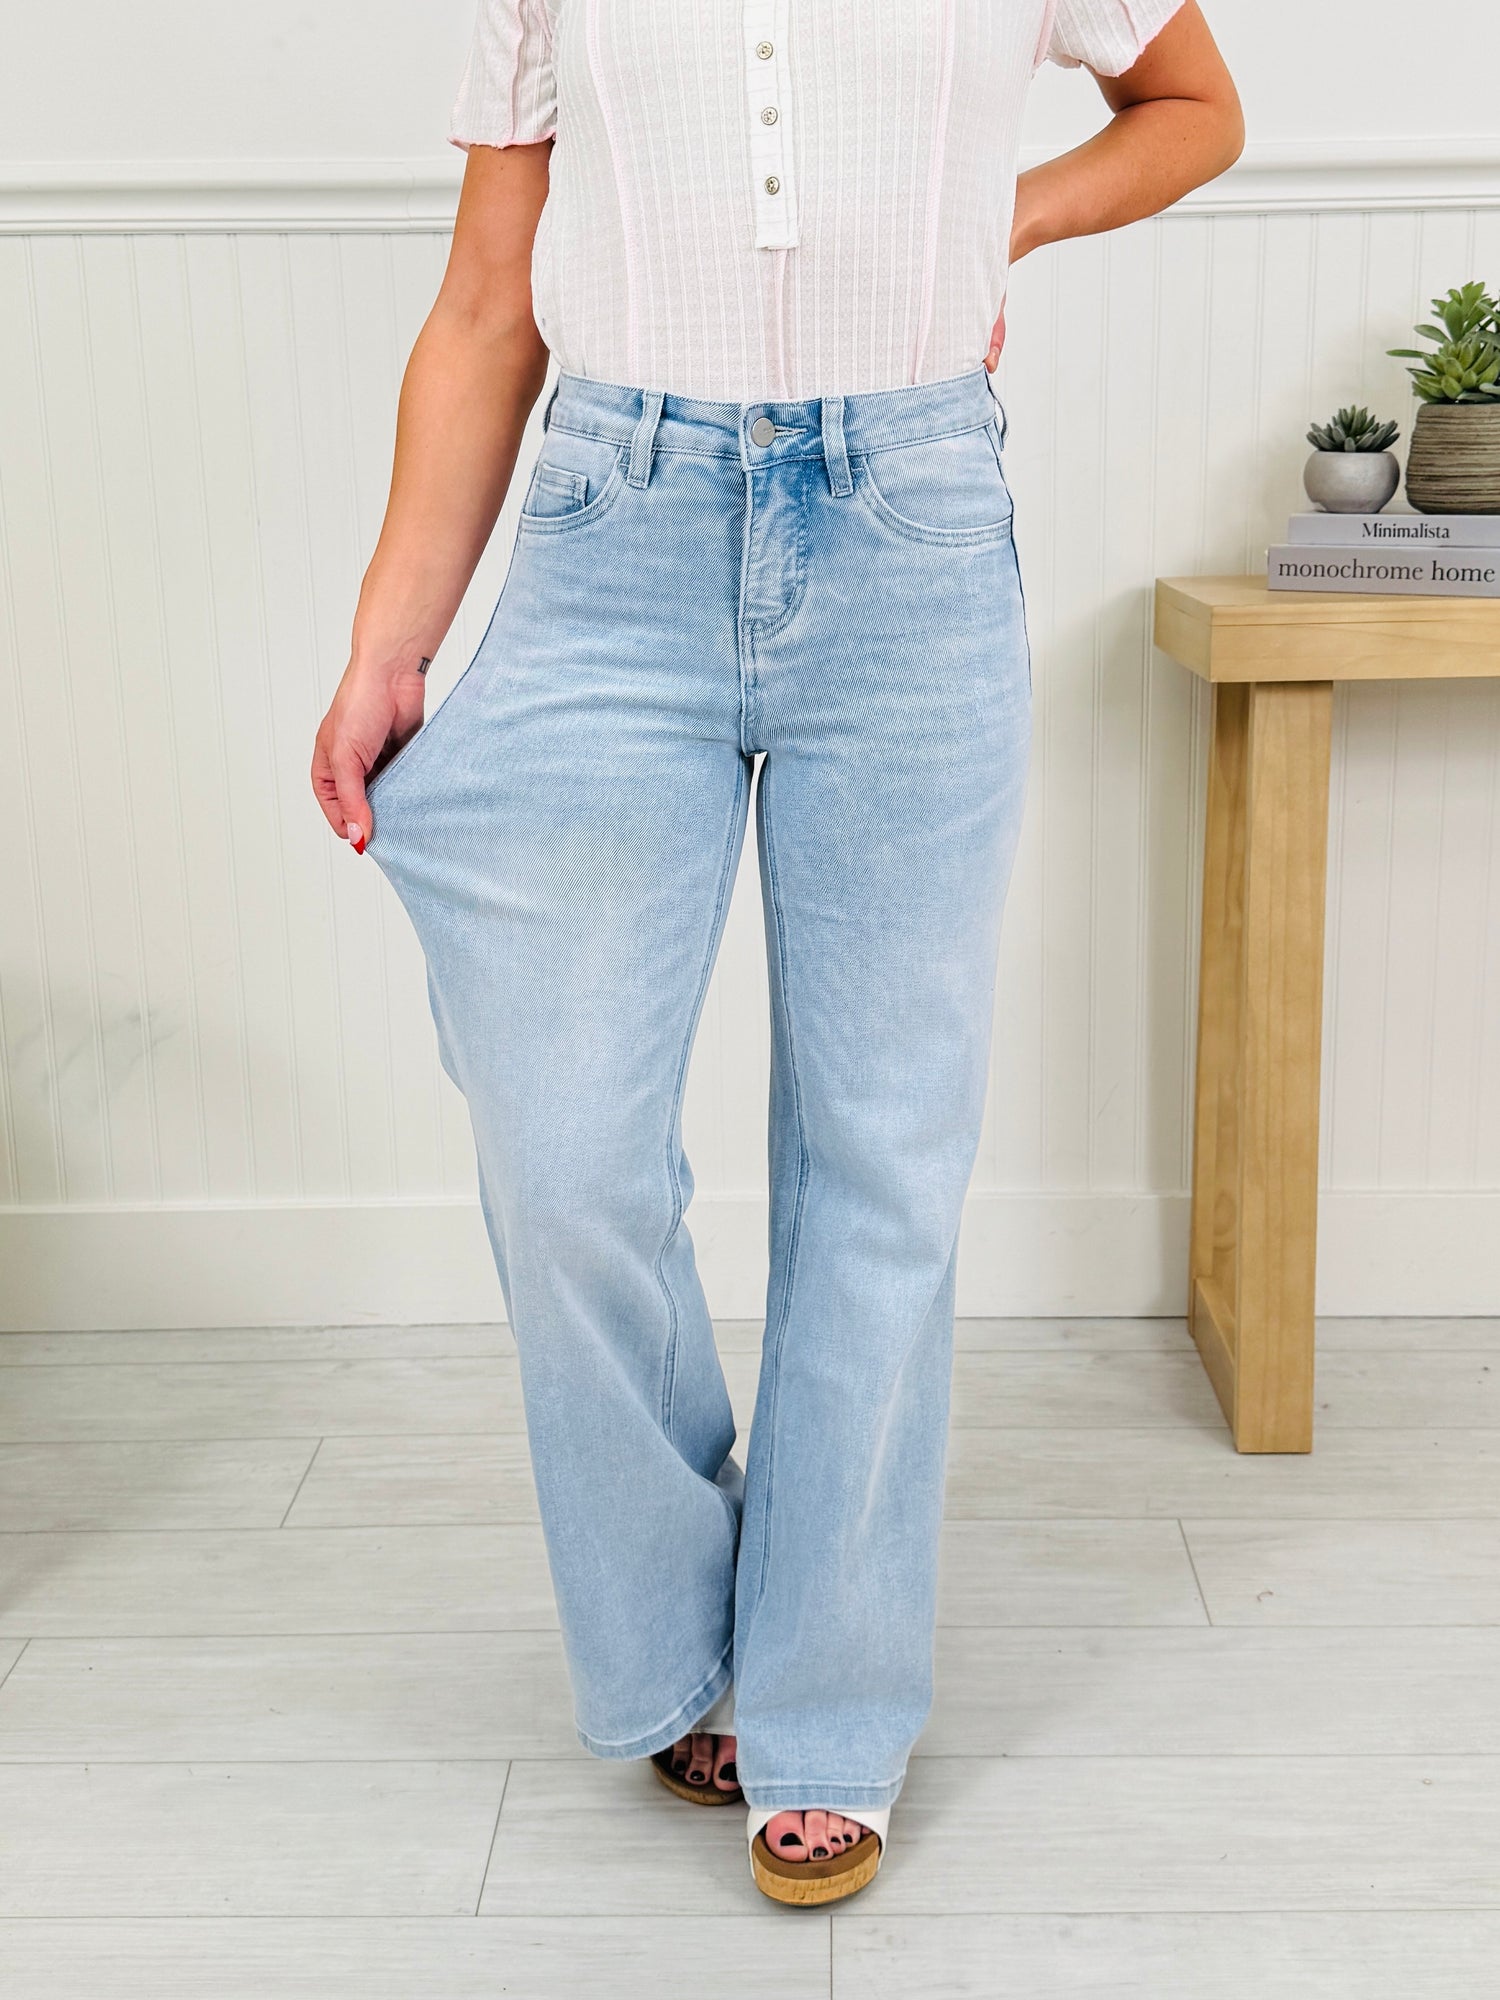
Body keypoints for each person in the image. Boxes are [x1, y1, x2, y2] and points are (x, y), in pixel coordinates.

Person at [311, 0, 1242, 1908]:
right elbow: (487, 306)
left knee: (880, 1159)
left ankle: (823, 1702)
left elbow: (1194, 106)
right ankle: (679, 1630)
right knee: (564, 1151)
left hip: (911, 531)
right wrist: (388, 644)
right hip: (612, 527)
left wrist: (1013, 213)